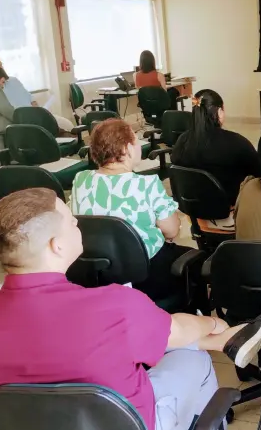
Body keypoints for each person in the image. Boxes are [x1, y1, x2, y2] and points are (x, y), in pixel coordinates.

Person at [0, 188, 261, 430]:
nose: (79, 225)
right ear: (57, 245)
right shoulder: (113, 305)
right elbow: (177, 329)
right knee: (192, 355)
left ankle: (219, 341)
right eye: (72, 221)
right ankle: (219, 369)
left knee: (151, 340)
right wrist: (211, 323)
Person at [70, 118, 204, 308]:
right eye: (136, 141)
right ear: (127, 149)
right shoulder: (146, 185)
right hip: (144, 277)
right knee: (194, 259)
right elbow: (172, 231)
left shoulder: (80, 180)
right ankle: (195, 318)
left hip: (96, 273)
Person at [171, 89, 261, 206]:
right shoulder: (236, 142)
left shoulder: (182, 140)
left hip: (189, 206)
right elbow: (259, 174)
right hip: (227, 207)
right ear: (219, 112)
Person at [0, 55, 74, 132]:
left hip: (36, 116)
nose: (1, 69)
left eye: (1, 66)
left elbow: (30, 98)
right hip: (22, 123)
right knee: (56, 131)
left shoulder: (13, 81)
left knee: (67, 124)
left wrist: (38, 111)